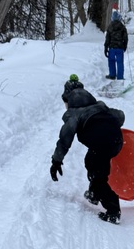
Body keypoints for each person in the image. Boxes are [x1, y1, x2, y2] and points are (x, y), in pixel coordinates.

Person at [50, 75, 125, 224]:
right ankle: (94, 194)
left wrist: (56, 161)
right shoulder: (99, 105)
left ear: (67, 100)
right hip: (116, 141)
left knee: (99, 177)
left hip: (101, 145)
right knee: (90, 160)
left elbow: (65, 139)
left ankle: (113, 211)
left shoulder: (73, 115)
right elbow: (120, 116)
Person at [104, 10, 128, 80]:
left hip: (111, 47)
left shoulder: (110, 26)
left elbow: (107, 38)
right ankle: (120, 77)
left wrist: (105, 47)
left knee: (111, 61)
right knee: (120, 62)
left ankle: (112, 75)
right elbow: (125, 38)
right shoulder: (122, 27)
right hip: (120, 47)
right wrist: (125, 45)